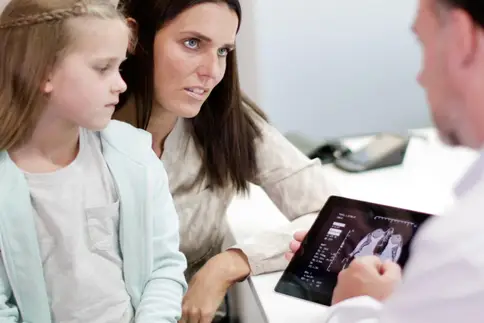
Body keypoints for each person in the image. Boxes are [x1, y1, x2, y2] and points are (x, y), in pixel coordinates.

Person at [114, 0, 338, 321]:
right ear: (134, 37)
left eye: (223, 51)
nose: (212, 72)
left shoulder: (224, 117)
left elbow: (334, 213)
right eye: (192, 43)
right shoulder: (81, 130)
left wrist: (229, 263)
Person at [287, 0, 484, 321]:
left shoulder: (463, 250)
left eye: (423, 43)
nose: (420, 77)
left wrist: (356, 305)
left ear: (462, 39)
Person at [0, 0, 187, 322]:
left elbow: (164, 266)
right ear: (43, 72)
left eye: (120, 67)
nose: (121, 84)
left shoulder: (136, 156)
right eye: (103, 68)